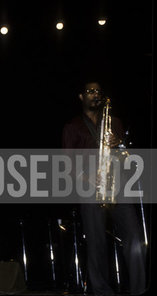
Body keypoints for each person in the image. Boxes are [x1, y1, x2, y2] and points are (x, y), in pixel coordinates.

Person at [62, 81, 146, 295]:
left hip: (118, 185)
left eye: (98, 91)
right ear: (81, 96)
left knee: (135, 239)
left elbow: (126, 155)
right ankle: (102, 291)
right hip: (90, 188)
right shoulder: (72, 126)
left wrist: (119, 143)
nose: (95, 94)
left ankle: (139, 289)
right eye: (90, 91)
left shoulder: (114, 122)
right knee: (96, 243)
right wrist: (88, 179)